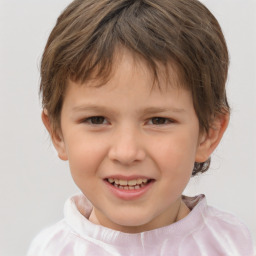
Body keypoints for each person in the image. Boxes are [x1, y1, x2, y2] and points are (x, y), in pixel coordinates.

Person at [27, 0, 254, 255]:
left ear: (208, 134)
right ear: (57, 133)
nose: (126, 152)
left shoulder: (236, 245)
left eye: (158, 120)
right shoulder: (48, 250)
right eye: (97, 120)